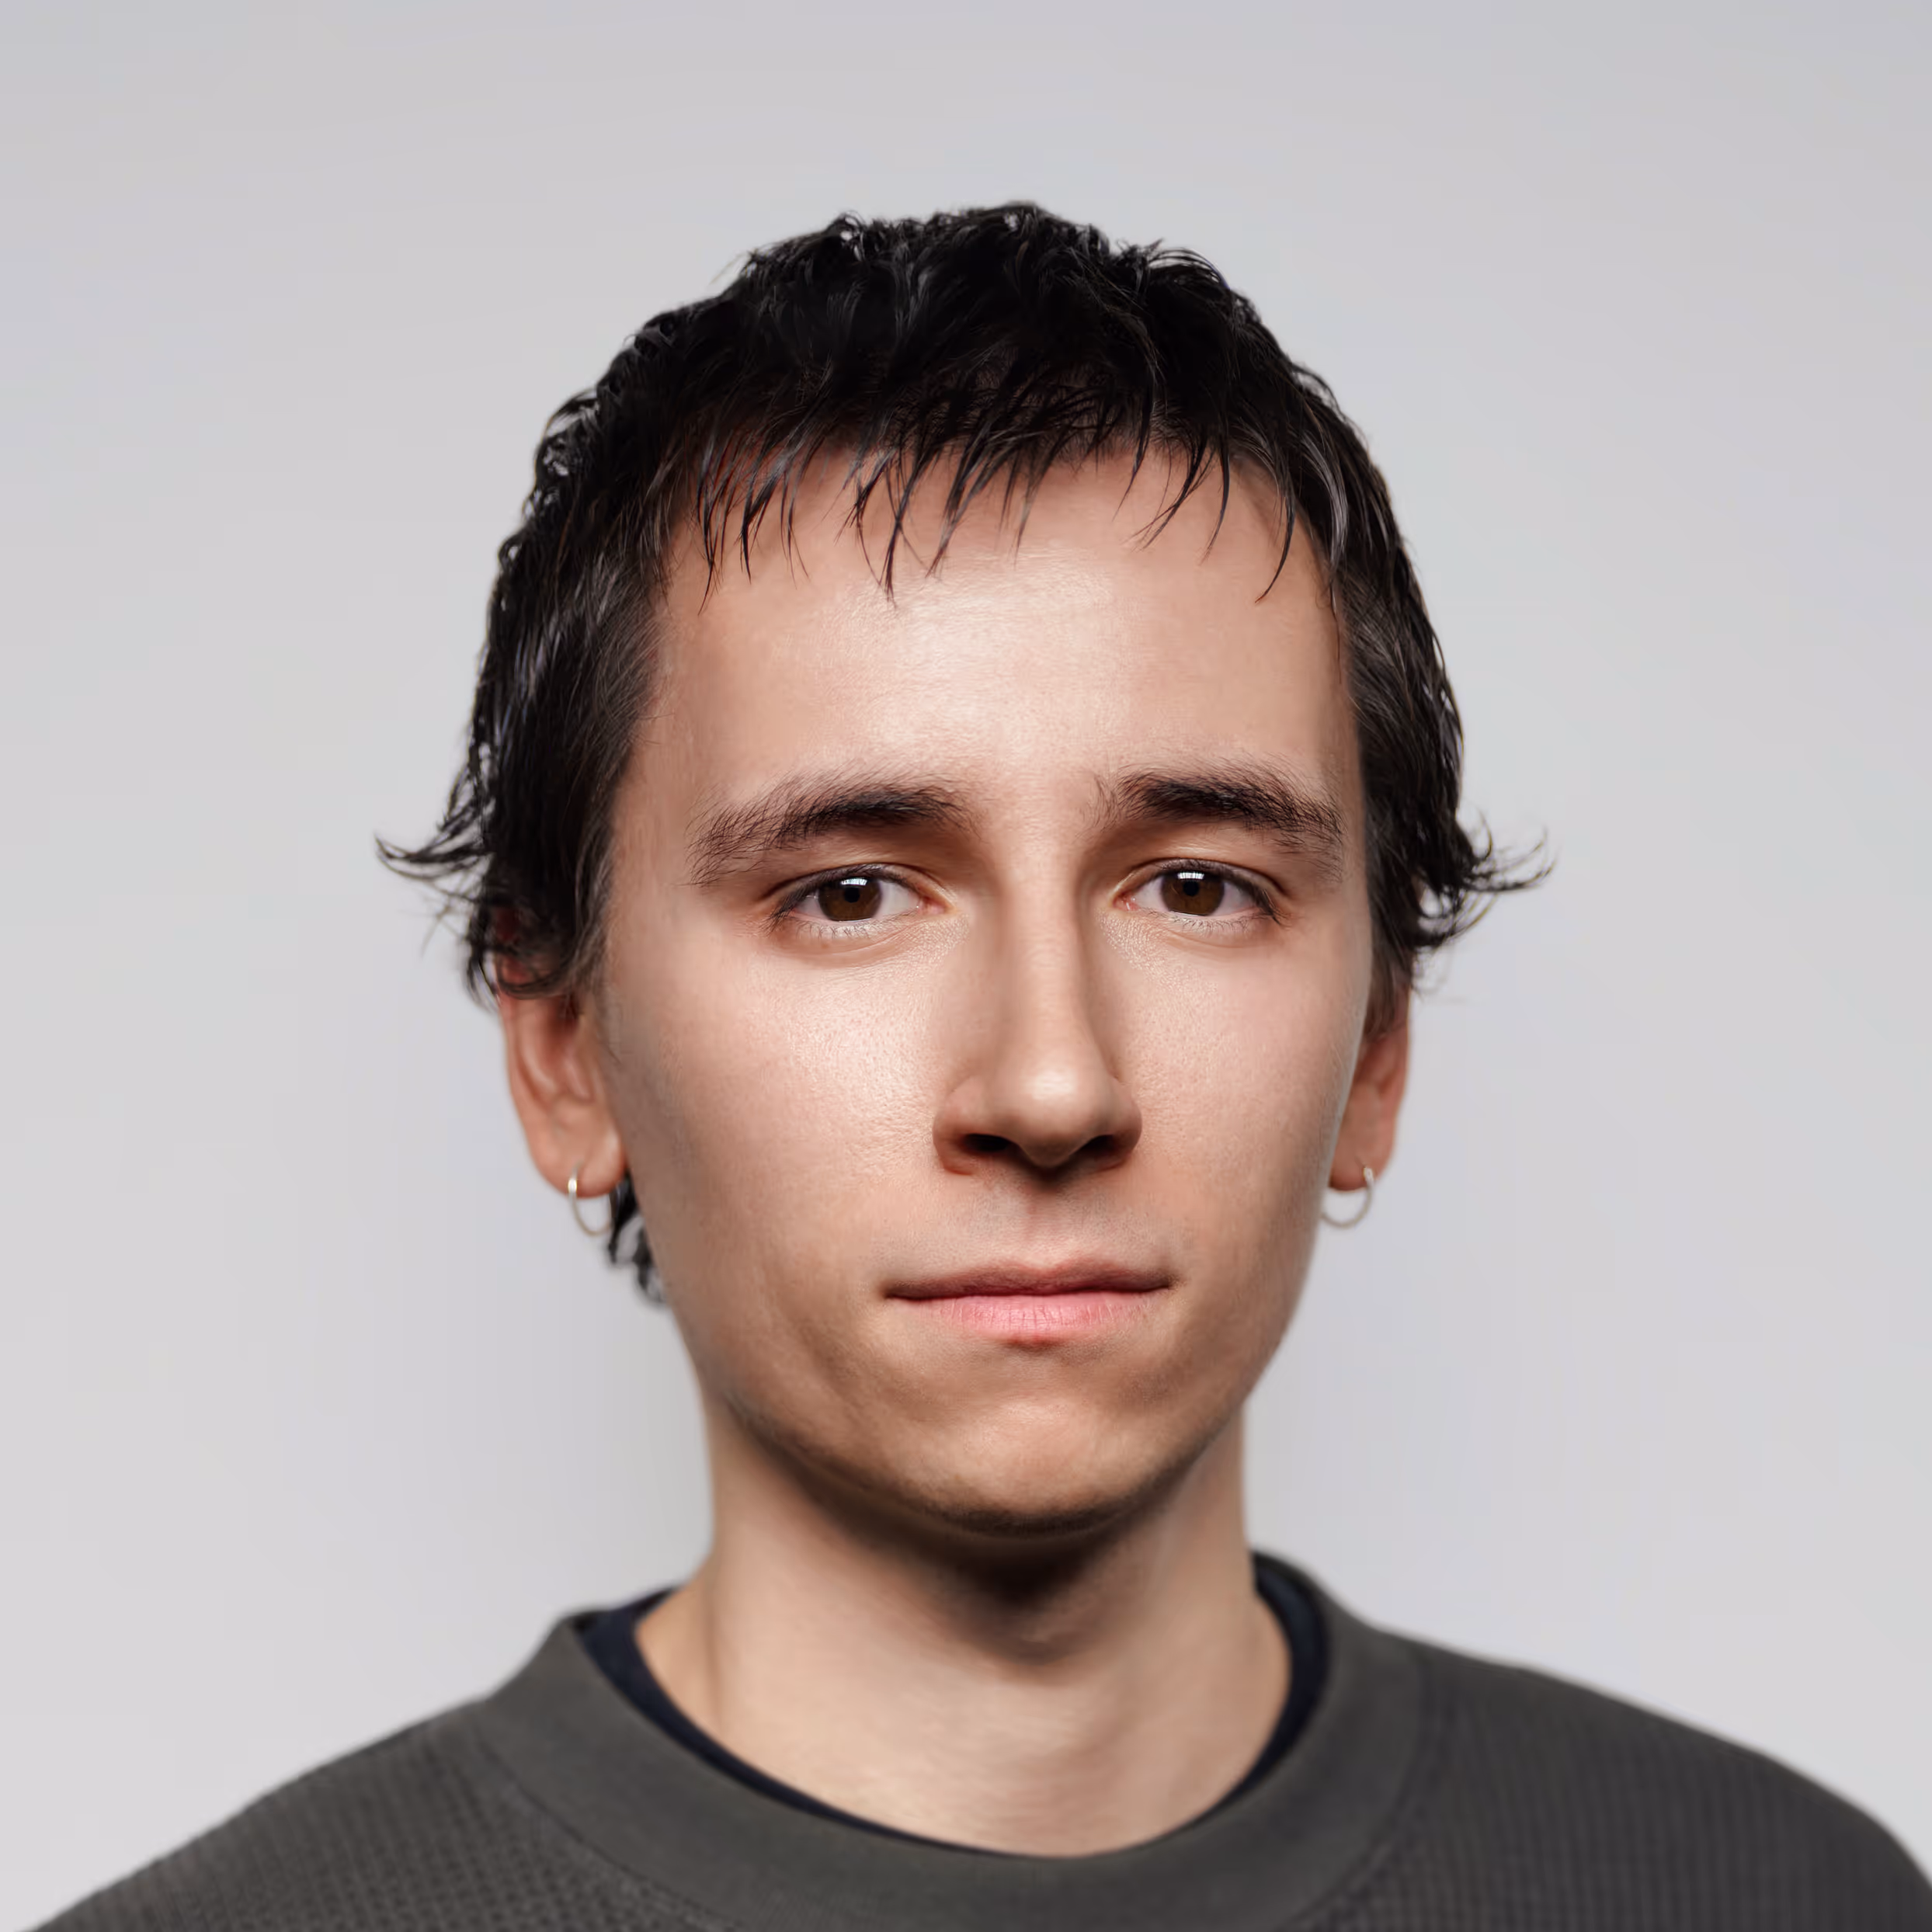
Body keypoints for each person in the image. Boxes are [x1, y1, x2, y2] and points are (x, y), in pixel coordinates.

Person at [39, 203, 1930, 1930]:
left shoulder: (1779, 1895)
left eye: (1195, 885)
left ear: (1375, 1041)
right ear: (563, 1050)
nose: (1047, 1082)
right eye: (851, 890)